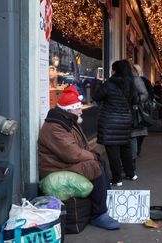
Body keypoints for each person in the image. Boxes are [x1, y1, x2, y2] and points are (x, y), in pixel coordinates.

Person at [38, 85, 120, 230]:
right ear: (69, 110)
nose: (81, 110)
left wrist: (93, 156)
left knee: (99, 161)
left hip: (63, 163)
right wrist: (92, 156)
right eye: (78, 108)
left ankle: (106, 203)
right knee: (94, 165)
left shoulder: (66, 121)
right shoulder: (55, 127)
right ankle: (98, 214)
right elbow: (72, 153)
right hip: (55, 167)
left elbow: (78, 149)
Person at [92, 60, 137, 187]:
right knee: (125, 148)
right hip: (125, 120)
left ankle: (117, 179)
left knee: (113, 152)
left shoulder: (109, 84)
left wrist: (97, 82)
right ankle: (131, 173)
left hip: (110, 121)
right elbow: (135, 100)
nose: (111, 71)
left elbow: (96, 96)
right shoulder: (130, 84)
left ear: (115, 70)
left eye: (113, 69)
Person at [130, 64, 149, 164]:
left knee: (133, 136)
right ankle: (129, 161)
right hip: (126, 112)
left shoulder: (136, 80)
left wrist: (133, 100)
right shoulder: (123, 79)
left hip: (134, 111)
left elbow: (145, 95)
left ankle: (131, 161)